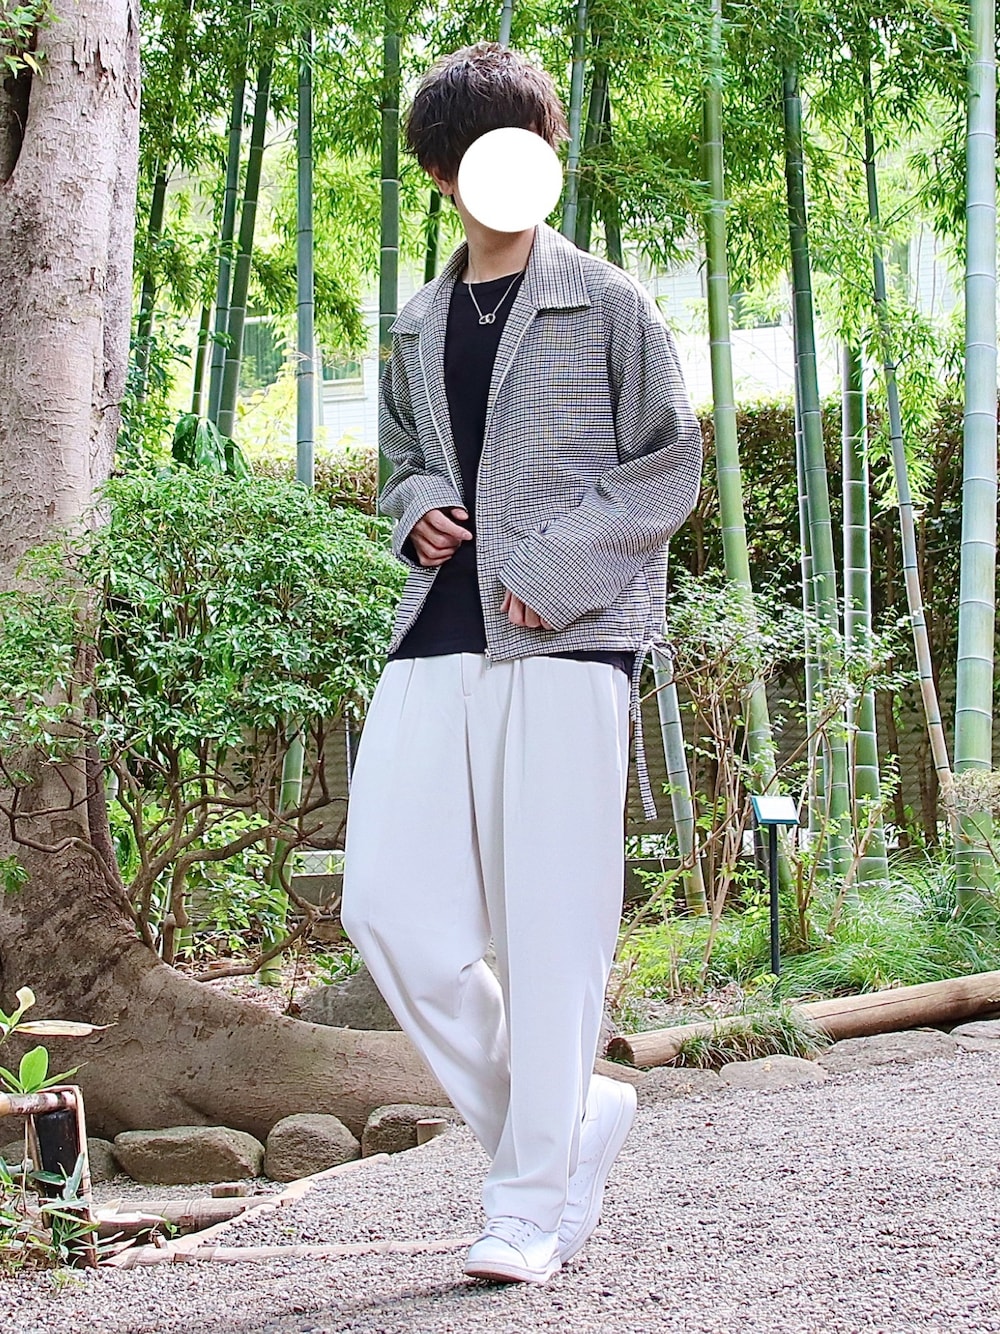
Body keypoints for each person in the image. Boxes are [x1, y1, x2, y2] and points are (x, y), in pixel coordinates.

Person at [341, 41, 701, 1286]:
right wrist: (418, 508)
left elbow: (667, 464)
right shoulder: (415, 319)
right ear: (443, 177)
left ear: (548, 154)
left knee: (551, 927)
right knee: (386, 908)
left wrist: (550, 566)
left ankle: (530, 1204)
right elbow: (400, 459)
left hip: (568, 633)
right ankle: (565, 1120)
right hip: (436, 627)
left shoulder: (608, 302)